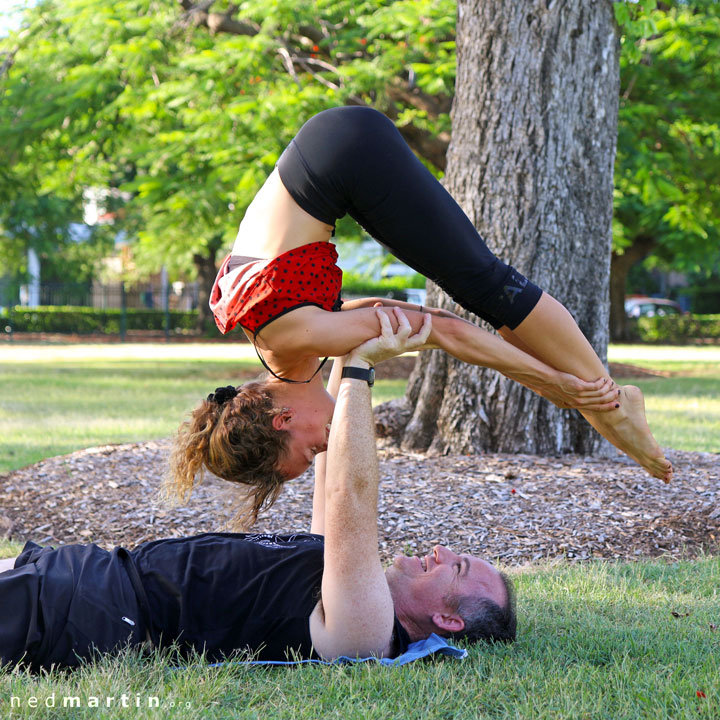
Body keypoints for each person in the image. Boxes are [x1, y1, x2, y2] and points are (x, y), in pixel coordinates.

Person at [171, 105, 671, 520]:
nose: (325, 445)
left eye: (311, 450)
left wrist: (551, 386)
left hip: (346, 153)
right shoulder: (290, 346)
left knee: (483, 282)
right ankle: (600, 400)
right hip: (337, 154)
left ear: (283, 419)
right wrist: (545, 377)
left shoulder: (295, 335)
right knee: (475, 286)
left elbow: (445, 331)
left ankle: (608, 408)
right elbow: (423, 317)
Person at [0, 315, 515, 671]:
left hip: (95, 611)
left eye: (459, 567)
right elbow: (332, 473)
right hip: (91, 570)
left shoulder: (368, 629)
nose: (443, 552)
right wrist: (347, 345)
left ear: (448, 620)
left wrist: (362, 368)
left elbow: (350, 497)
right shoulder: (341, 586)